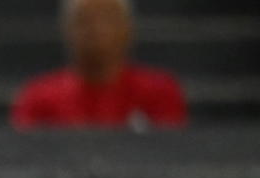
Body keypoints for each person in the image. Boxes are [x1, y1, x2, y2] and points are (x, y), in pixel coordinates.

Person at [11, 0, 185, 130]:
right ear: (67, 29)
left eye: (107, 19)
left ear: (128, 28)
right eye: (84, 21)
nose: (96, 30)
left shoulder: (160, 92)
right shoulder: (38, 98)